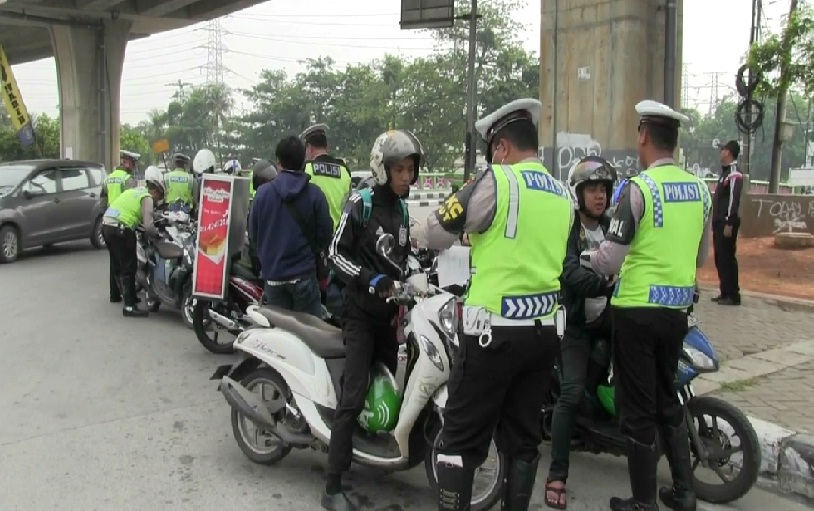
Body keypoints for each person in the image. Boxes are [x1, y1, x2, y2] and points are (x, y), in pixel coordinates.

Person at [424, 98, 573, 511]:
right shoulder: (563, 192)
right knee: (522, 440)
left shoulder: (497, 181)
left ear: (502, 147)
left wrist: (416, 232)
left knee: (459, 440)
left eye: (493, 150)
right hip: (543, 335)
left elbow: (439, 229)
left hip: (494, 335)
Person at [590, 100, 711, 511]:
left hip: (636, 313)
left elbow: (610, 258)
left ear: (643, 135)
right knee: (667, 400)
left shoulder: (638, 189)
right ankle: (683, 492)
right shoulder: (701, 191)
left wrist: (588, 258)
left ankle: (643, 502)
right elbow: (700, 259)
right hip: (677, 312)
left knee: (638, 409)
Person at [322, 129, 421, 511]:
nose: (406, 177)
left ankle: (368, 448)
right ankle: (332, 484)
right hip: (360, 314)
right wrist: (369, 279)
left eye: (410, 169)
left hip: (389, 315)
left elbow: (402, 255)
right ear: (383, 169)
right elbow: (334, 253)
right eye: (400, 169)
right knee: (354, 390)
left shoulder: (402, 208)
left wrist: (415, 274)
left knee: (388, 382)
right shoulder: (360, 202)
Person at [545, 156, 617, 509]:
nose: (600, 196)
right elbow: (568, 273)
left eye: (604, 189)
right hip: (575, 325)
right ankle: (557, 474)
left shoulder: (613, 228)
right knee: (570, 395)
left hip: (609, 320)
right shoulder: (569, 230)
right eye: (593, 189)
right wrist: (603, 285)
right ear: (579, 193)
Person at [250, 136, 332, 317]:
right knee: (309, 335)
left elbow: (254, 235)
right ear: (304, 160)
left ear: (278, 161)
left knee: (280, 336)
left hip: (273, 278)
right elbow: (326, 235)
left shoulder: (262, 194)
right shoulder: (315, 194)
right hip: (304, 276)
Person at [101, 174, 166, 317]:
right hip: (120, 230)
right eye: (158, 197)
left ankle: (128, 296)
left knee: (119, 264)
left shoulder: (134, 191)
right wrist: (157, 235)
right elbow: (148, 225)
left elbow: (132, 215)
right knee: (129, 267)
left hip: (107, 226)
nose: (156, 201)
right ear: (155, 191)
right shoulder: (147, 198)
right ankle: (129, 307)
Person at [102, 150, 139, 303]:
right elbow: (132, 199)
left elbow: (103, 197)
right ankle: (128, 297)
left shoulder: (109, 178)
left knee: (114, 260)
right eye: (134, 164)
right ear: (128, 163)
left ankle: (114, 294)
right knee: (127, 263)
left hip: (109, 219)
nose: (134, 167)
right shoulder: (127, 179)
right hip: (122, 221)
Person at [712, 140, 742, 306]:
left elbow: (733, 199)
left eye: (723, 149)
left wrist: (729, 222)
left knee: (728, 258)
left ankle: (733, 294)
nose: (720, 152)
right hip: (719, 223)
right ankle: (724, 291)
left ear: (729, 152)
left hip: (727, 223)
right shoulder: (725, 172)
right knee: (720, 258)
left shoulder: (734, 173)